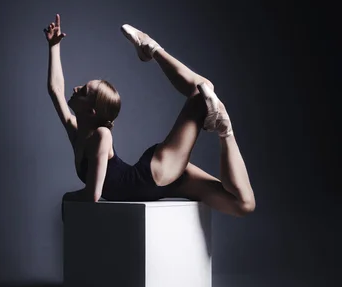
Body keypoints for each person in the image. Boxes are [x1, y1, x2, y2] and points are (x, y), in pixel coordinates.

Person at [45, 14, 256, 217]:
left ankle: (151, 48)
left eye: (83, 91)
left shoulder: (102, 135)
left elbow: (93, 195)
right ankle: (225, 130)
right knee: (243, 204)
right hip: (159, 183)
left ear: (91, 111)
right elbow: (56, 90)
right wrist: (54, 47)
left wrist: (66, 198)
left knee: (203, 91)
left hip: (154, 174)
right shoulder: (75, 130)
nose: (75, 88)